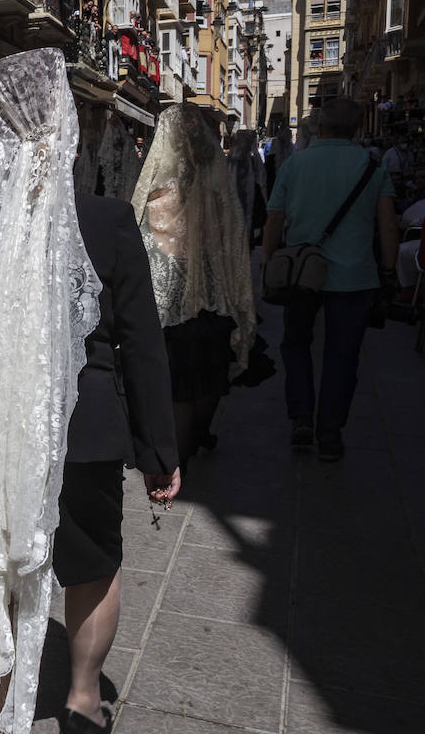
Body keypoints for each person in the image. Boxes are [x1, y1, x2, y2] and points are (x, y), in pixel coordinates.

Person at [0, 50, 180, 734]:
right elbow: (142, 346)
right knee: (91, 565)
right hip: (86, 433)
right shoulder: (107, 223)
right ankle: (79, 698)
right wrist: (159, 450)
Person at [264, 97, 398, 461]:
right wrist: (389, 269)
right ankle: (330, 432)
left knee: (296, 344)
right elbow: (388, 223)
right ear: (357, 130)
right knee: (343, 356)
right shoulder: (372, 167)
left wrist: (270, 258)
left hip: (302, 272)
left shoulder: (295, 165)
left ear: (319, 127)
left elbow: (274, 218)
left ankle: (302, 417)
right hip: (355, 278)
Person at [133, 104, 257, 469]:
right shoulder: (220, 189)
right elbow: (234, 245)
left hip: (169, 307)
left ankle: (178, 459)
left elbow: (146, 250)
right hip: (215, 304)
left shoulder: (156, 194)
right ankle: (198, 436)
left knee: (179, 389)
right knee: (208, 379)